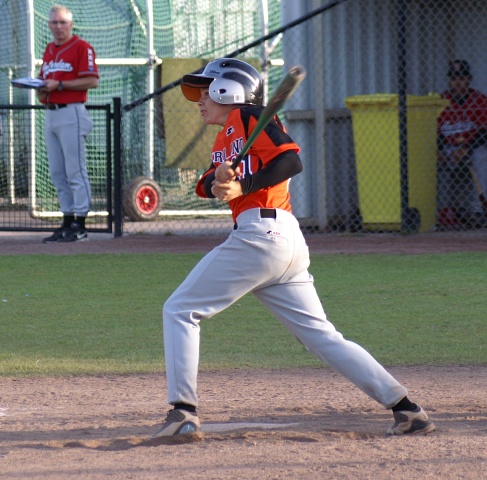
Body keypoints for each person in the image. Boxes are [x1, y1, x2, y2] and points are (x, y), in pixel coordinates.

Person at [153, 58, 435, 438]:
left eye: (206, 91)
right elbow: (205, 184)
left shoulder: (250, 116)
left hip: (260, 236)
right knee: (321, 336)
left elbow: (290, 161)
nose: (200, 100)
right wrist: (218, 180)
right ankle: (406, 409)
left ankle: (183, 413)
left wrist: (243, 185)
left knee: (180, 309)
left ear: (227, 90)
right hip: (282, 242)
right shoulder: (225, 137)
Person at [37, 5, 99, 243]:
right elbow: (45, 80)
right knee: (57, 172)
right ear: (49, 25)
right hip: (51, 112)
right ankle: (66, 221)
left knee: (75, 171)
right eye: (54, 22)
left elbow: (92, 81)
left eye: (63, 22)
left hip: (72, 111)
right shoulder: (49, 49)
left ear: (71, 24)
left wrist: (60, 85)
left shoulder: (82, 47)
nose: (58, 27)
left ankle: (80, 224)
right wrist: (40, 88)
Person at [436, 59, 487, 229]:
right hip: (448, 149)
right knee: (431, 160)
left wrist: (466, 148)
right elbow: (434, 133)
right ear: (449, 81)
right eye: (453, 78)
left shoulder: (479, 100)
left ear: (469, 79)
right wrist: (439, 151)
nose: (457, 82)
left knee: (481, 156)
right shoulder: (441, 101)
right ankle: (441, 212)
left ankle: (477, 211)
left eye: (462, 78)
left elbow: (484, 133)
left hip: (472, 148)